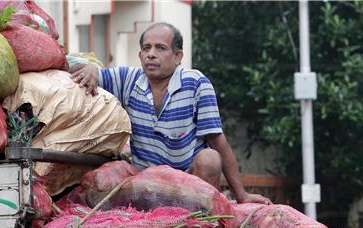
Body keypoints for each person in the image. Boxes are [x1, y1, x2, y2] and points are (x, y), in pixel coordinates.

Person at [70, 22, 269, 205]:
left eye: (161, 48)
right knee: (110, 174)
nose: (151, 54)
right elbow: (98, 73)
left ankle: (202, 222)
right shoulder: (129, 80)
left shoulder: (196, 83)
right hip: (147, 185)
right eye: (146, 48)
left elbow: (217, 140)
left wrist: (242, 195)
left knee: (210, 158)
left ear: (178, 56)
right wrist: (90, 70)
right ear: (140, 55)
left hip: (190, 183)